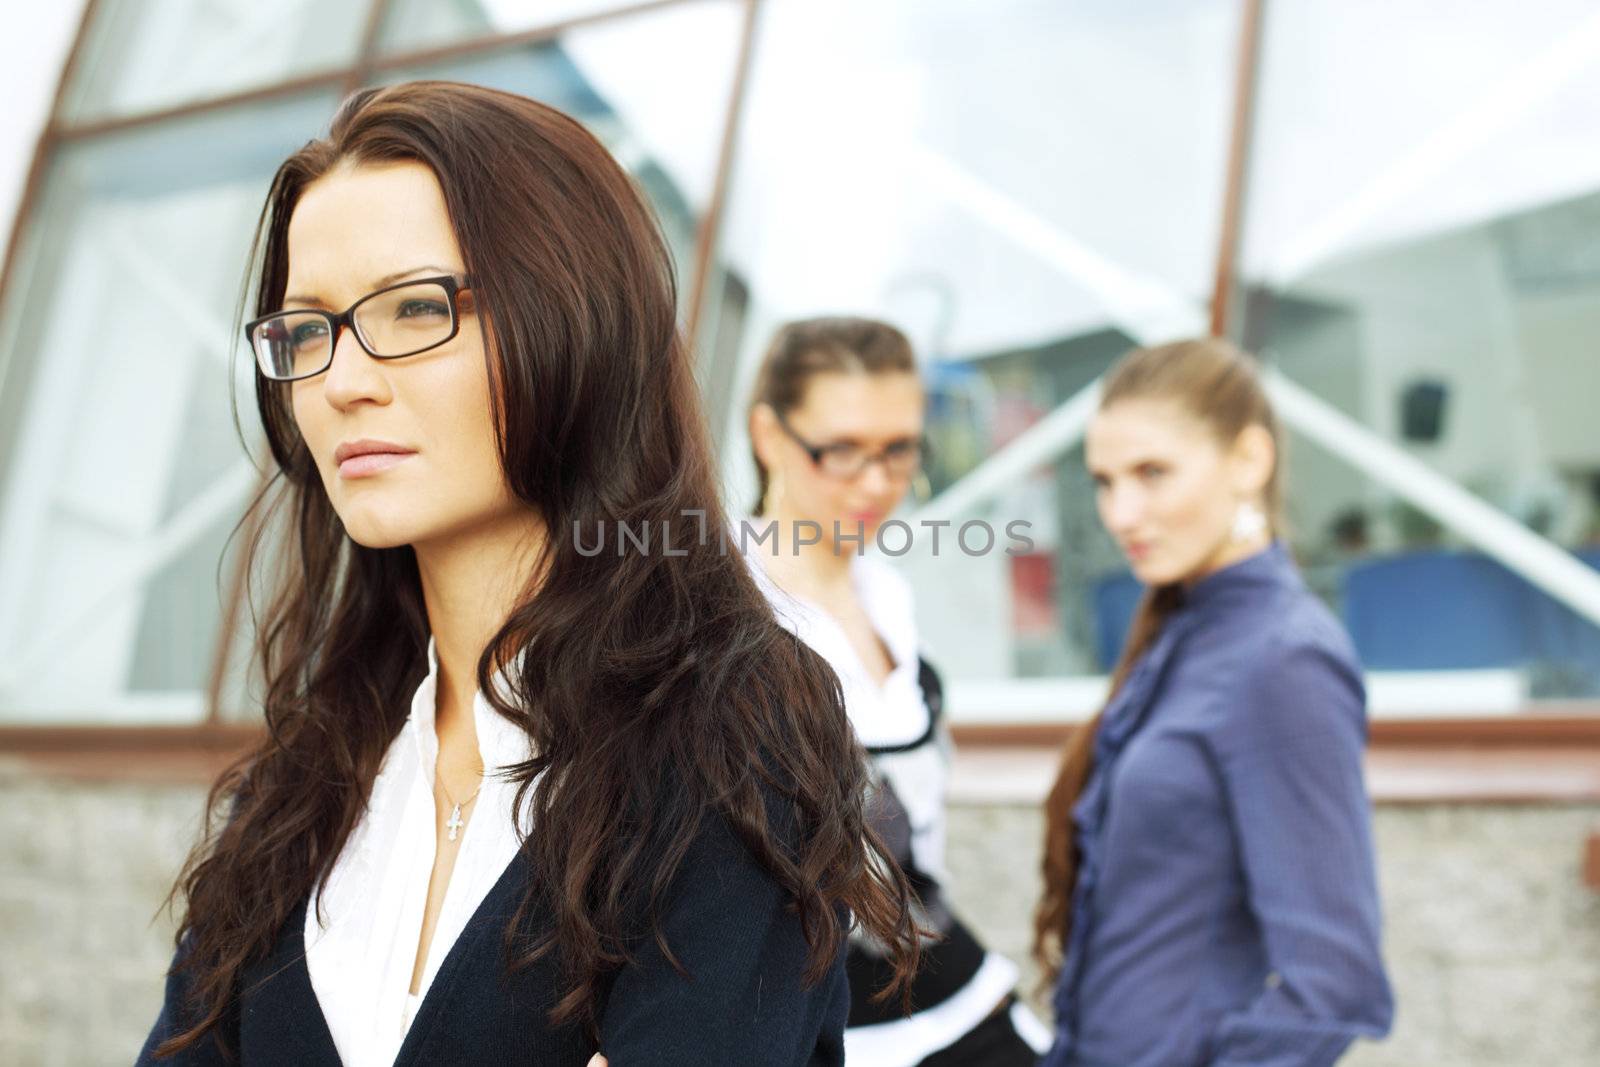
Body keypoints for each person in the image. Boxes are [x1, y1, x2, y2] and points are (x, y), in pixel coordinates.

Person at [136, 82, 919, 1067]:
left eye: (415, 306)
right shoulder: (302, 784)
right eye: (306, 330)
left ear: (577, 317)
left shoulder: (734, 736)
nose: (342, 380)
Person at [1034, 338, 1394, 1066]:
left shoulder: (1285, 658)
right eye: (1105, 481)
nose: (1120, 511)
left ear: (1249, 461)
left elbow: (1333, 983)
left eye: (1152, 473)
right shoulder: (1181, 629)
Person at [740, 318, 1049, 1067]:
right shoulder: (722, 609)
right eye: (842, 450)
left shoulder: (890, 596)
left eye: (899, 450)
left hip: (949, 993)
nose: (877, 483)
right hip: (818, 1025)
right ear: (769, 434)